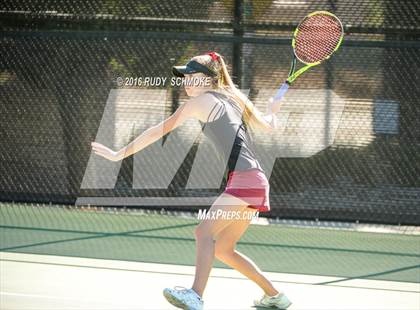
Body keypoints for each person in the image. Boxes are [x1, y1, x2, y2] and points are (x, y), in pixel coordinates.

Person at [91, 51, 292, 310]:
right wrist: (273, 110)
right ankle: (275, 295)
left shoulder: (203, 101)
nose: (186, 80)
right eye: (184, 76)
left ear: (208, 79)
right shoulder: (233, 97)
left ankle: (195, 295)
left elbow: (159, 130)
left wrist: (120, 154)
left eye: (191, 75)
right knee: (224, 249)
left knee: (203, 232)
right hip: (255, 181)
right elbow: (269, 125)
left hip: (245, 180)